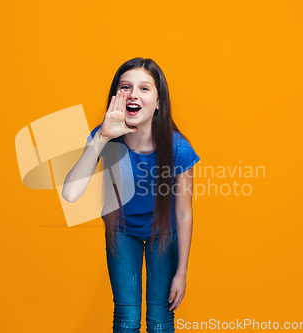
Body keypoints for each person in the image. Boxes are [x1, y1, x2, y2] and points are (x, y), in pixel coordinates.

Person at [62, 57, 200, 332]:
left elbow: (184, 212)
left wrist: (181, 274)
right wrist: (101, 136)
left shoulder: (179, 149)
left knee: (160, 321)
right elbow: (70, 193)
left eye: (144, 88)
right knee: (126, 320)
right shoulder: (104, 137)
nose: (133, 94)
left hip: (164, 233)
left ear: (159, 103)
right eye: (125, 87)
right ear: (116, 97)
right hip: (122, 232)